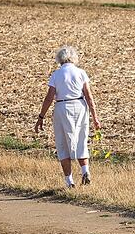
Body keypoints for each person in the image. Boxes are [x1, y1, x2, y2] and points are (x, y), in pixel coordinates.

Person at [34, 46, 101, 188]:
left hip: (62, 107)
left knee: (62, 142)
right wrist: (95, 116)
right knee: (81, 139)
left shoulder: (56, 75)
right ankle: (85, 171)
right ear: (74, 58)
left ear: (59, 59)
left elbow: (49, 98)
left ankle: (69, 181)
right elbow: (89, 96)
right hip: (80, 106)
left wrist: (41, 116)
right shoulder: (81, 72)